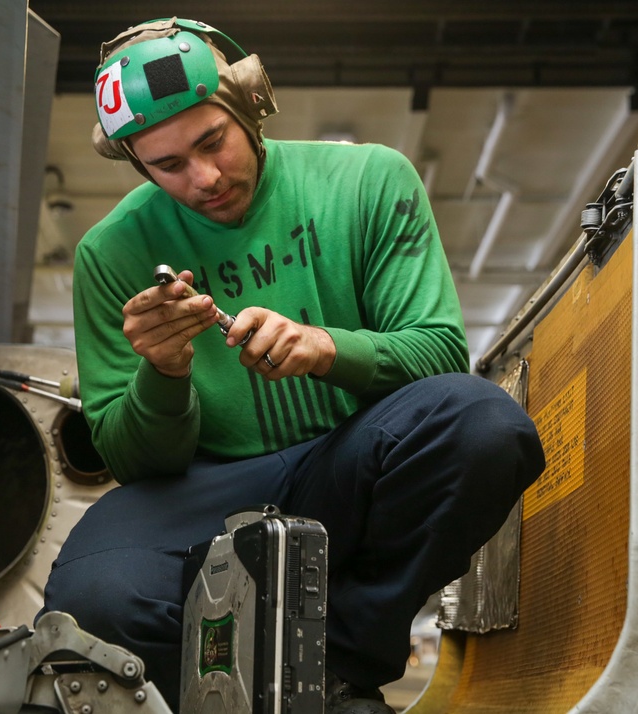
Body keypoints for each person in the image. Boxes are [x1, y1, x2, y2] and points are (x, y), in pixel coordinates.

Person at [39, 17, 545, 714]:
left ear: (251, 104)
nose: (205, 178)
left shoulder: (367, 181)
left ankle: (333, 671)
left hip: (349, 460)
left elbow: (438, 354)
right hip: (199, 488)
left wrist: (325, 348)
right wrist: (163, 372)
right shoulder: (109, 253)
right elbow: (136, 464)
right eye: (169, 166)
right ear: (138, 165)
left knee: (485, 427)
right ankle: (211, 692)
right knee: (93, 595)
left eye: (212, 141)